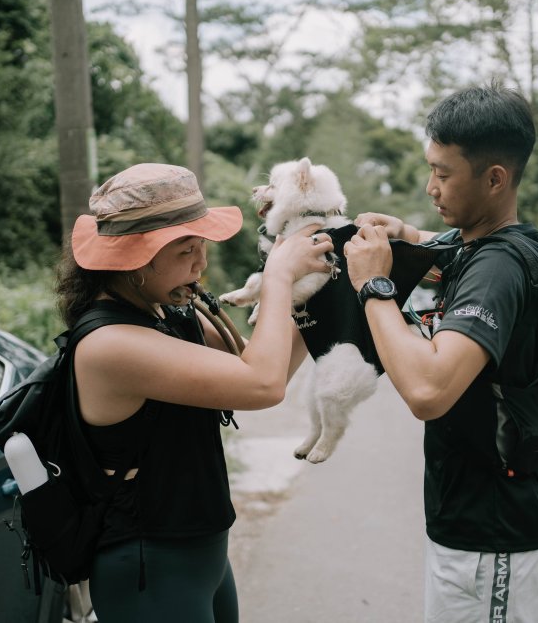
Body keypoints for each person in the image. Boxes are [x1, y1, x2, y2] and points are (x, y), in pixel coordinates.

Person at [57, 162, 334, 622]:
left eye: (201, 245)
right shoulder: (109, 345)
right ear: (135, 258)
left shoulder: (169, 311)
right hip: (151, 567)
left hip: (202, 549)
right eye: (187, 249)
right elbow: (262, 385)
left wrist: (322, 290)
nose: (201, 263)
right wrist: (279, 276)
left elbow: (270, 368)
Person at [343, 83, 538, 623]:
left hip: (490, 540)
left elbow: (428, 390)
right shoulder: (511, 245)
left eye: (444, 174)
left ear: (494, 179)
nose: (430, 187)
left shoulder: (496, 269)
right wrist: (404, 235)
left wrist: (375, 288)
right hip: (475, 531)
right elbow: (455, 251)